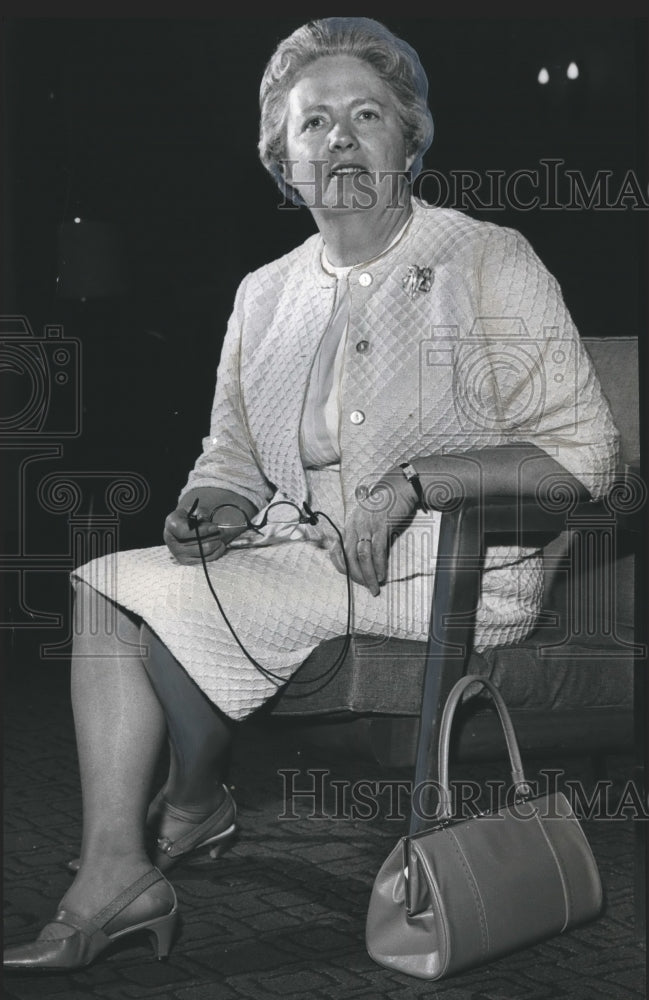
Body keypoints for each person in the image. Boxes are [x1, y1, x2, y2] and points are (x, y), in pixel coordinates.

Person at [4, 17, 618, 972]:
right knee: (108, 583)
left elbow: (584, 456)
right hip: (300, 558)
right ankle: (130, 865)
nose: (337, 138)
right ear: (281, 160)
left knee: (141, 599)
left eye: (364, 115)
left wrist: (422, 483)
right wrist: (210, 504)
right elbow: (231, 455)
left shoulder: (487, 258)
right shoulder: (262, 294)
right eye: (311, 122)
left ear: (408, 140)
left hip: (449, 570)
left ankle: (187, 815)